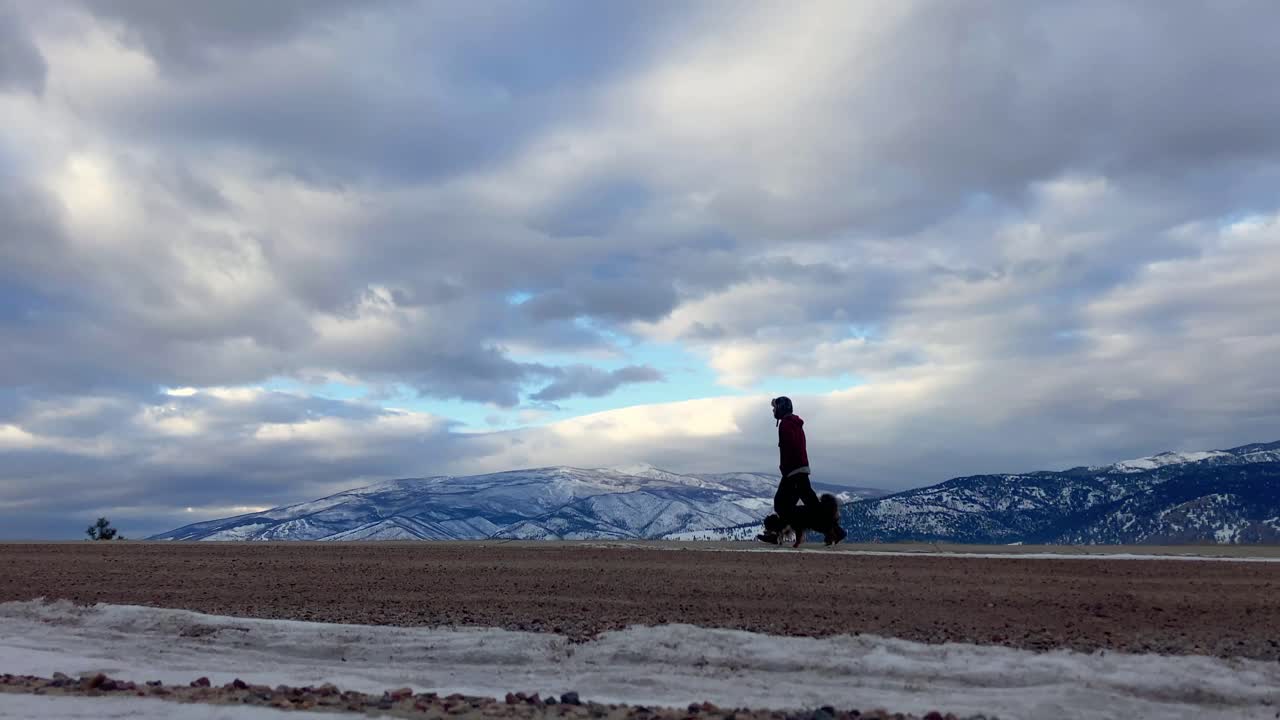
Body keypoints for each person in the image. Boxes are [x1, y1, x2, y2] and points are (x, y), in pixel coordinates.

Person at [757, 396, 847, 547]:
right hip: (800, 469)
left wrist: (787, 467)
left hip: (793, 471)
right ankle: (834, 531)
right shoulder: (795, 423)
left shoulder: (786, 424)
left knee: (782, 504)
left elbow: (790, 446)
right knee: (805, 506)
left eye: (775, 408)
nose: (773, 411)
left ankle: (834, 531)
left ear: (781, 408)